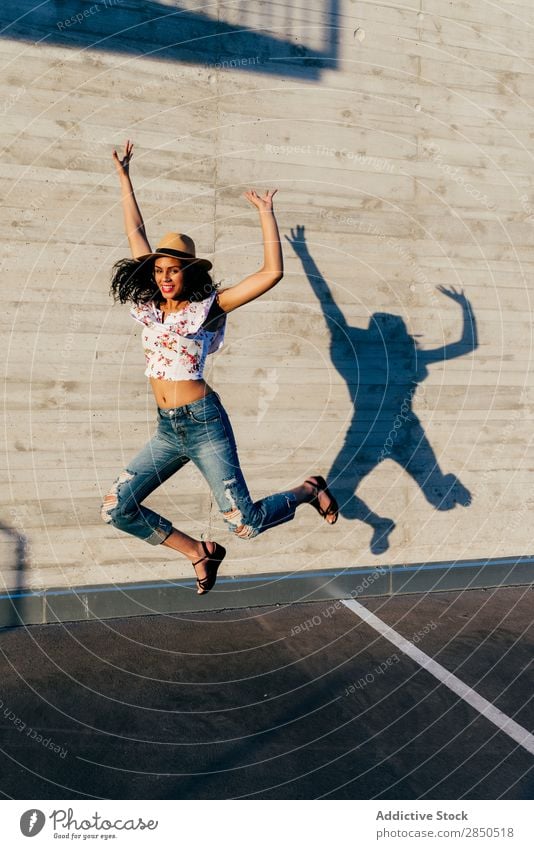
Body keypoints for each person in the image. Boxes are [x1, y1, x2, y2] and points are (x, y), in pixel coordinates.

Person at [100, 140, 338, 595]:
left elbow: (270, 274)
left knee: (245, 525)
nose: (165, 277)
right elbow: (136, 233)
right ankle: (198, 553)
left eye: (173, 271)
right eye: (159, 270)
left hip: (204, 423)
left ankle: (308, 490)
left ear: (189, 273)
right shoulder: (150, 305)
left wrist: (265, 213)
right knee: (117, 509)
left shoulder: (206, 309)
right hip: (168, 430)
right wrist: (124, 177)